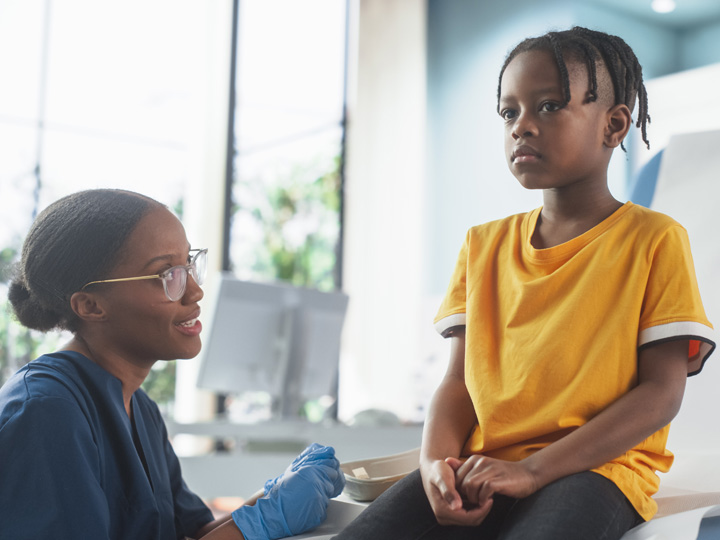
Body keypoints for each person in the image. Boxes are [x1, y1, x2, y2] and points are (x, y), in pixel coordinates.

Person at [334, 26, 715, 540]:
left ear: (615, 124)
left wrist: (532, 470)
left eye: (550, 106)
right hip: (481, 467)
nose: (522, 127)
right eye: (509, 112)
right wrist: (434, 466)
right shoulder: (481, 245)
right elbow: (458, 385)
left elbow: (660, 393)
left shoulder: (655, 239)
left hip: (595, 472)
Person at [0, 189, 345, 540]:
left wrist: (272, 500)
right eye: (166, 274)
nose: (194, 291)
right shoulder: (45, 411)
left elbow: (194, 533)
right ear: (90, 305)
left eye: (189, 265)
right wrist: (267, 520)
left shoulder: (140, 408)